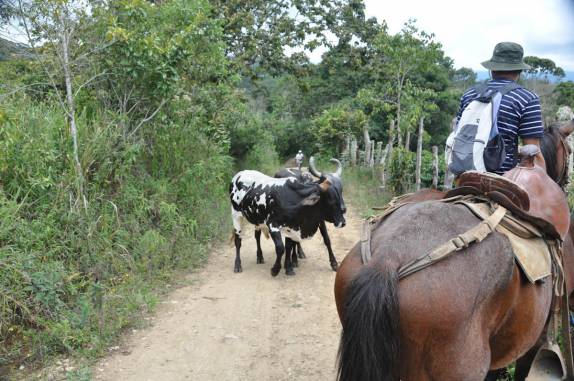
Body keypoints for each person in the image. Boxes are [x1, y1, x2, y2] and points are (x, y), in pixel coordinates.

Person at [456, 42, 545, 174]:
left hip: (464, 174)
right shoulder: (527, 98)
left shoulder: (469, 94)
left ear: (492, 69)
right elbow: (533, 150)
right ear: (519, 71)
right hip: (503, 178)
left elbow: (458, 132)